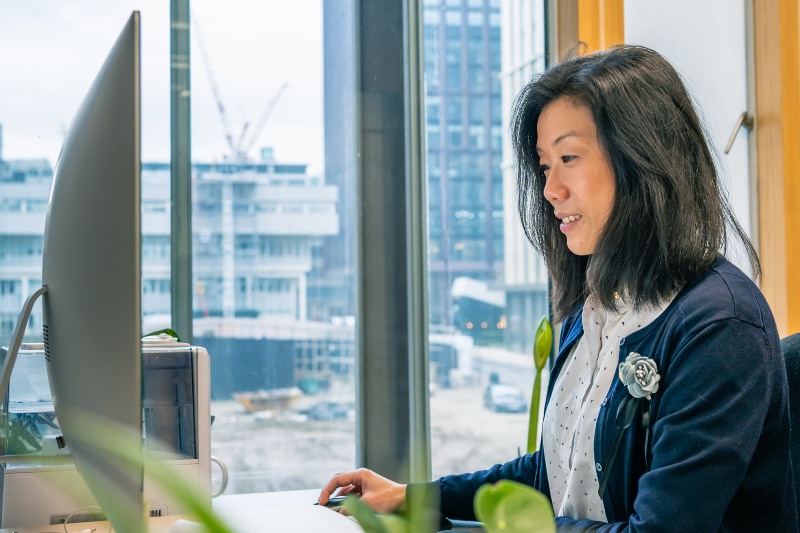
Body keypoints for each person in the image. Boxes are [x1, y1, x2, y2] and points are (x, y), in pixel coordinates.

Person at [318, 45, 799, 532]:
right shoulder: (593, 307)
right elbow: (556, 470)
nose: (550, 189)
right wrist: (414, 498)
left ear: (645, 158)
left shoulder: (721, 326)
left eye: (569, 157)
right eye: (546, 166)